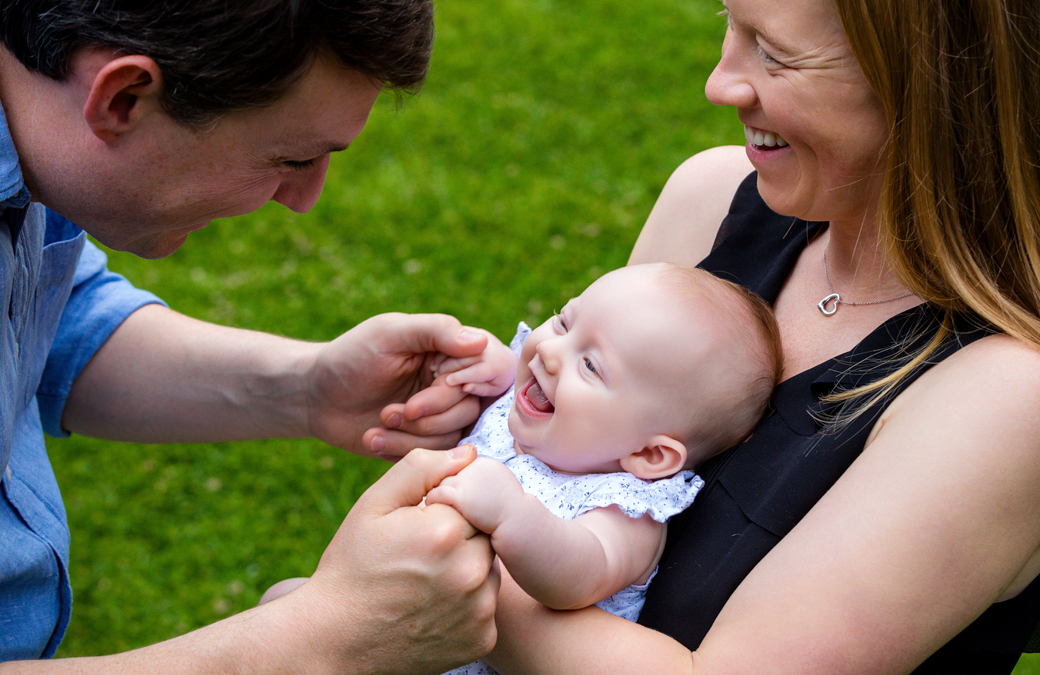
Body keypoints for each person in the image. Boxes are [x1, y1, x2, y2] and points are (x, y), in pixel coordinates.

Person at [376, 0, 1040, 673]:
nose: (721, 84)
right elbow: (581, 441)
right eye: (729, 23)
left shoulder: (1009, 403)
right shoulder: (712, 199)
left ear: (939, 87)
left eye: (775, 53)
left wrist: (437, 549)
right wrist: (494, 410)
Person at [0, 0, 501, 672]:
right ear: (125, 96)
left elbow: (47, 315)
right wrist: (319, 640)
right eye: (290, 157)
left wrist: (307, 386)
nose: (303, 200)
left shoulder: (18, 45)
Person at [262, 262, 781, 668]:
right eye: (564, 320)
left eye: (591, 365)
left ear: (649, 455)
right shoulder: (534, 399)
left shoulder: (624, 508)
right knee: (280, 604)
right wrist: (486, 371)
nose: (550, 352)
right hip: (399, 615)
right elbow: (513, 375)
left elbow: (579, 573)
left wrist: (513, 516)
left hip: (464, 658)